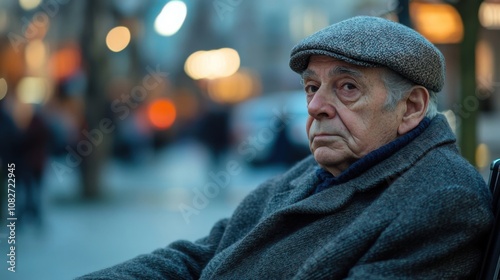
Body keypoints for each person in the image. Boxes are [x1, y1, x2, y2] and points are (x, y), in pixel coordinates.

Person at [77, 16, 493, 279]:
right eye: (312, 87)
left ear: (411, 107)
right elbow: (196, 257)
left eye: (347, 87)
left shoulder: (441, 200)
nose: (314, 106)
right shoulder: (307, 174)